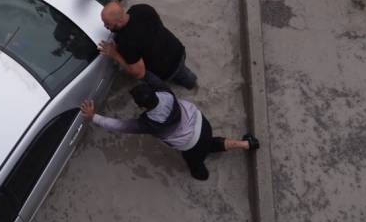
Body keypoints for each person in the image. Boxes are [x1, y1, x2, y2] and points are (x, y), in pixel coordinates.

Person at [80, 75, 259, 181]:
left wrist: (93, 116)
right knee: (209, 142)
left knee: (197, 164)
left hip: (191, 145)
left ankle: (200, 171)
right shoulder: (165, 90)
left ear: (142, 107)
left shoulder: (148, 124)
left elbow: (121, 125)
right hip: (202, 123)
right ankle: (246, 144)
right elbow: (146, 72)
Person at [98, 1, 198, 89]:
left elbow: (139, 73)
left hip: (167, 70)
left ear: (119, 23)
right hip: (177, 49)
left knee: (179, 77)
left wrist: (114, 54)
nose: (105, 26)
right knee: (187, 76)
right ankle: (191, 82)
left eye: (107, 24)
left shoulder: (126, 42)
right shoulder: (141, 9)